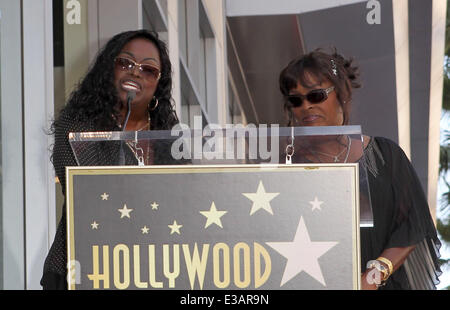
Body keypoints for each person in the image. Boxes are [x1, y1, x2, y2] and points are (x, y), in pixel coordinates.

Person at [279, 48, 442, 289]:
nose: (305, 106)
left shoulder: (384, 154)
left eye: (316, 95)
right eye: (295, 100)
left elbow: (413, 225)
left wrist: (372, 278)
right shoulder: (286, 166)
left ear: (342, 95)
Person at [41, 29, 179, 289]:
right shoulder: (77, 123)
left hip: (150, 270)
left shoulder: (169, 137)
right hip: (80, 267)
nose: (135, 72)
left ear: (159, 84)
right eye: (125, 63)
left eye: (148, 70)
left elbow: (184, 200)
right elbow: (89, 192)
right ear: (109, 69)